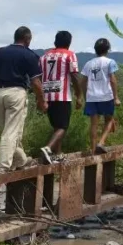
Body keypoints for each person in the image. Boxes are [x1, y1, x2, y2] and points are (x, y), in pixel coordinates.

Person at [0, 26, 46, 174]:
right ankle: (3, 167)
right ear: (27, 39)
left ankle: (21, 160)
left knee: (8, 131)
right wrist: (41, 100)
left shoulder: (0, 53)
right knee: (11, 133)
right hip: (16, 93)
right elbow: (36, 82)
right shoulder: (28, 55)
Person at [38, 31, 83, 164]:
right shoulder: (69, 55)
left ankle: (58, 154)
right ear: (69, 43)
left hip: (47, 95)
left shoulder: (44, 56)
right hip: (62, 96)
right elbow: (74, 75)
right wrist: (79, 95)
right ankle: (48, 148)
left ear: (55, 41)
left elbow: (38, 77)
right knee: (63, 126)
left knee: (56, 126)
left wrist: (39, 98)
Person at [80, 38, 120, 154]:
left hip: (92, 97)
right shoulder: (110, 62)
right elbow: (112, 80)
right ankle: (101, 143)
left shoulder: (89, 63)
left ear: (95, 50)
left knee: (93, 124)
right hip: (106, 96)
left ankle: (93, 150)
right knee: (109, 120)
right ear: (107, 49)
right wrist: (116, 97)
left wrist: (85, 96)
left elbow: (82, 82)